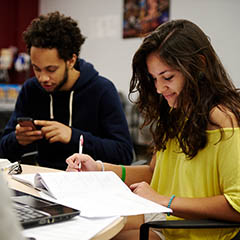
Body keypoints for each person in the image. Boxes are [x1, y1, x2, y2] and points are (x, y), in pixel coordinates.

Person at [66, 19, 240, 240]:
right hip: (167, 222)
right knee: (85, 229)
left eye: (167, 77)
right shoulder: (177, 111)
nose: (159, 88)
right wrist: (98, 169)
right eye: (154, 78)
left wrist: (164, 201)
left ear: (199, 65)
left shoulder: (222, 119)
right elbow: (153, 173)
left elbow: (236, 206)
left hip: (194, 232)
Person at [0, 11, 133, 170]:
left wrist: (73, 136)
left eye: (51, 69)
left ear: (71, 60)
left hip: (89, 184)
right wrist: (17, 139)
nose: (42, 78)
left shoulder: (102, 90)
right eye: (37, 69)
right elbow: (3, 150)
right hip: (42, 181)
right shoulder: (31, 89)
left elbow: (124, 154)